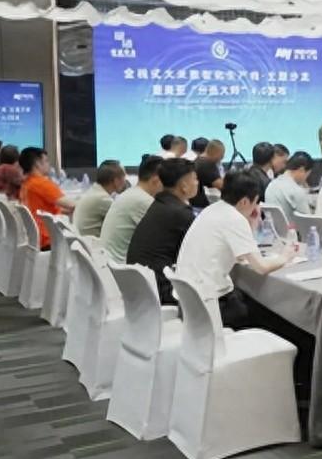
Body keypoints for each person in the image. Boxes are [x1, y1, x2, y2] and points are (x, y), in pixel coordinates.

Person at [176, 169, 296, 327]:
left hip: (188, 302)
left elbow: (241, 254)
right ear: (245, 201)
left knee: (249, 300)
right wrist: (286, 256)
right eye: (256, 202)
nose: (256, 207)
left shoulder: (212, 209)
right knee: (269, 314)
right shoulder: (234, 219)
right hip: (209, 306)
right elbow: (262, 267)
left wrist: (252, 223)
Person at [126, 158, 198, 304]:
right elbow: (196, 255)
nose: (197, 183)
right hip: (163, 290)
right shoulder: (180, 213)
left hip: (142, 287)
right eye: (195, 179)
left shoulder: (159, 204)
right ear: (184, 186)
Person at [101, 155, 164, 263]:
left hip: (111, 263)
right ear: (156, 180)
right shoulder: (143, 200)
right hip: (122, 266)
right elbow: (164, 236)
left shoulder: (132, 194)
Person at [18, 147, 76, 251]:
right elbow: (72, 204)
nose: (49, 164)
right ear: (37, 163)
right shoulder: (41, 183)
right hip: (50, 239)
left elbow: (39, 210)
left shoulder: (26, 184)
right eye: (46, 161)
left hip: (36, 239)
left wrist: (64, 211)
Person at [73, 160, 126, 237]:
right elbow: (125, 220)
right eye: (124, 177)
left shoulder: (94, 191)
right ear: (116, 180)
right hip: (93, 243)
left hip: (84, 241)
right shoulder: (103, 199)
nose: (125, 181)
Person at [264, 151, 315, 224]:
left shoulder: (271, 185)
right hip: (292, 230)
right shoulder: (296, 191)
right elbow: (309, 222)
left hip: (273, 229)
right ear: (301, 170)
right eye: (307, 174)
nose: (305, 179)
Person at [190, 139, 226, 209]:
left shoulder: (198, 160)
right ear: (216, 152)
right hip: (199, 205)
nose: (221, 158)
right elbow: (222, 186)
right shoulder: (207, 164)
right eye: (221, 155)